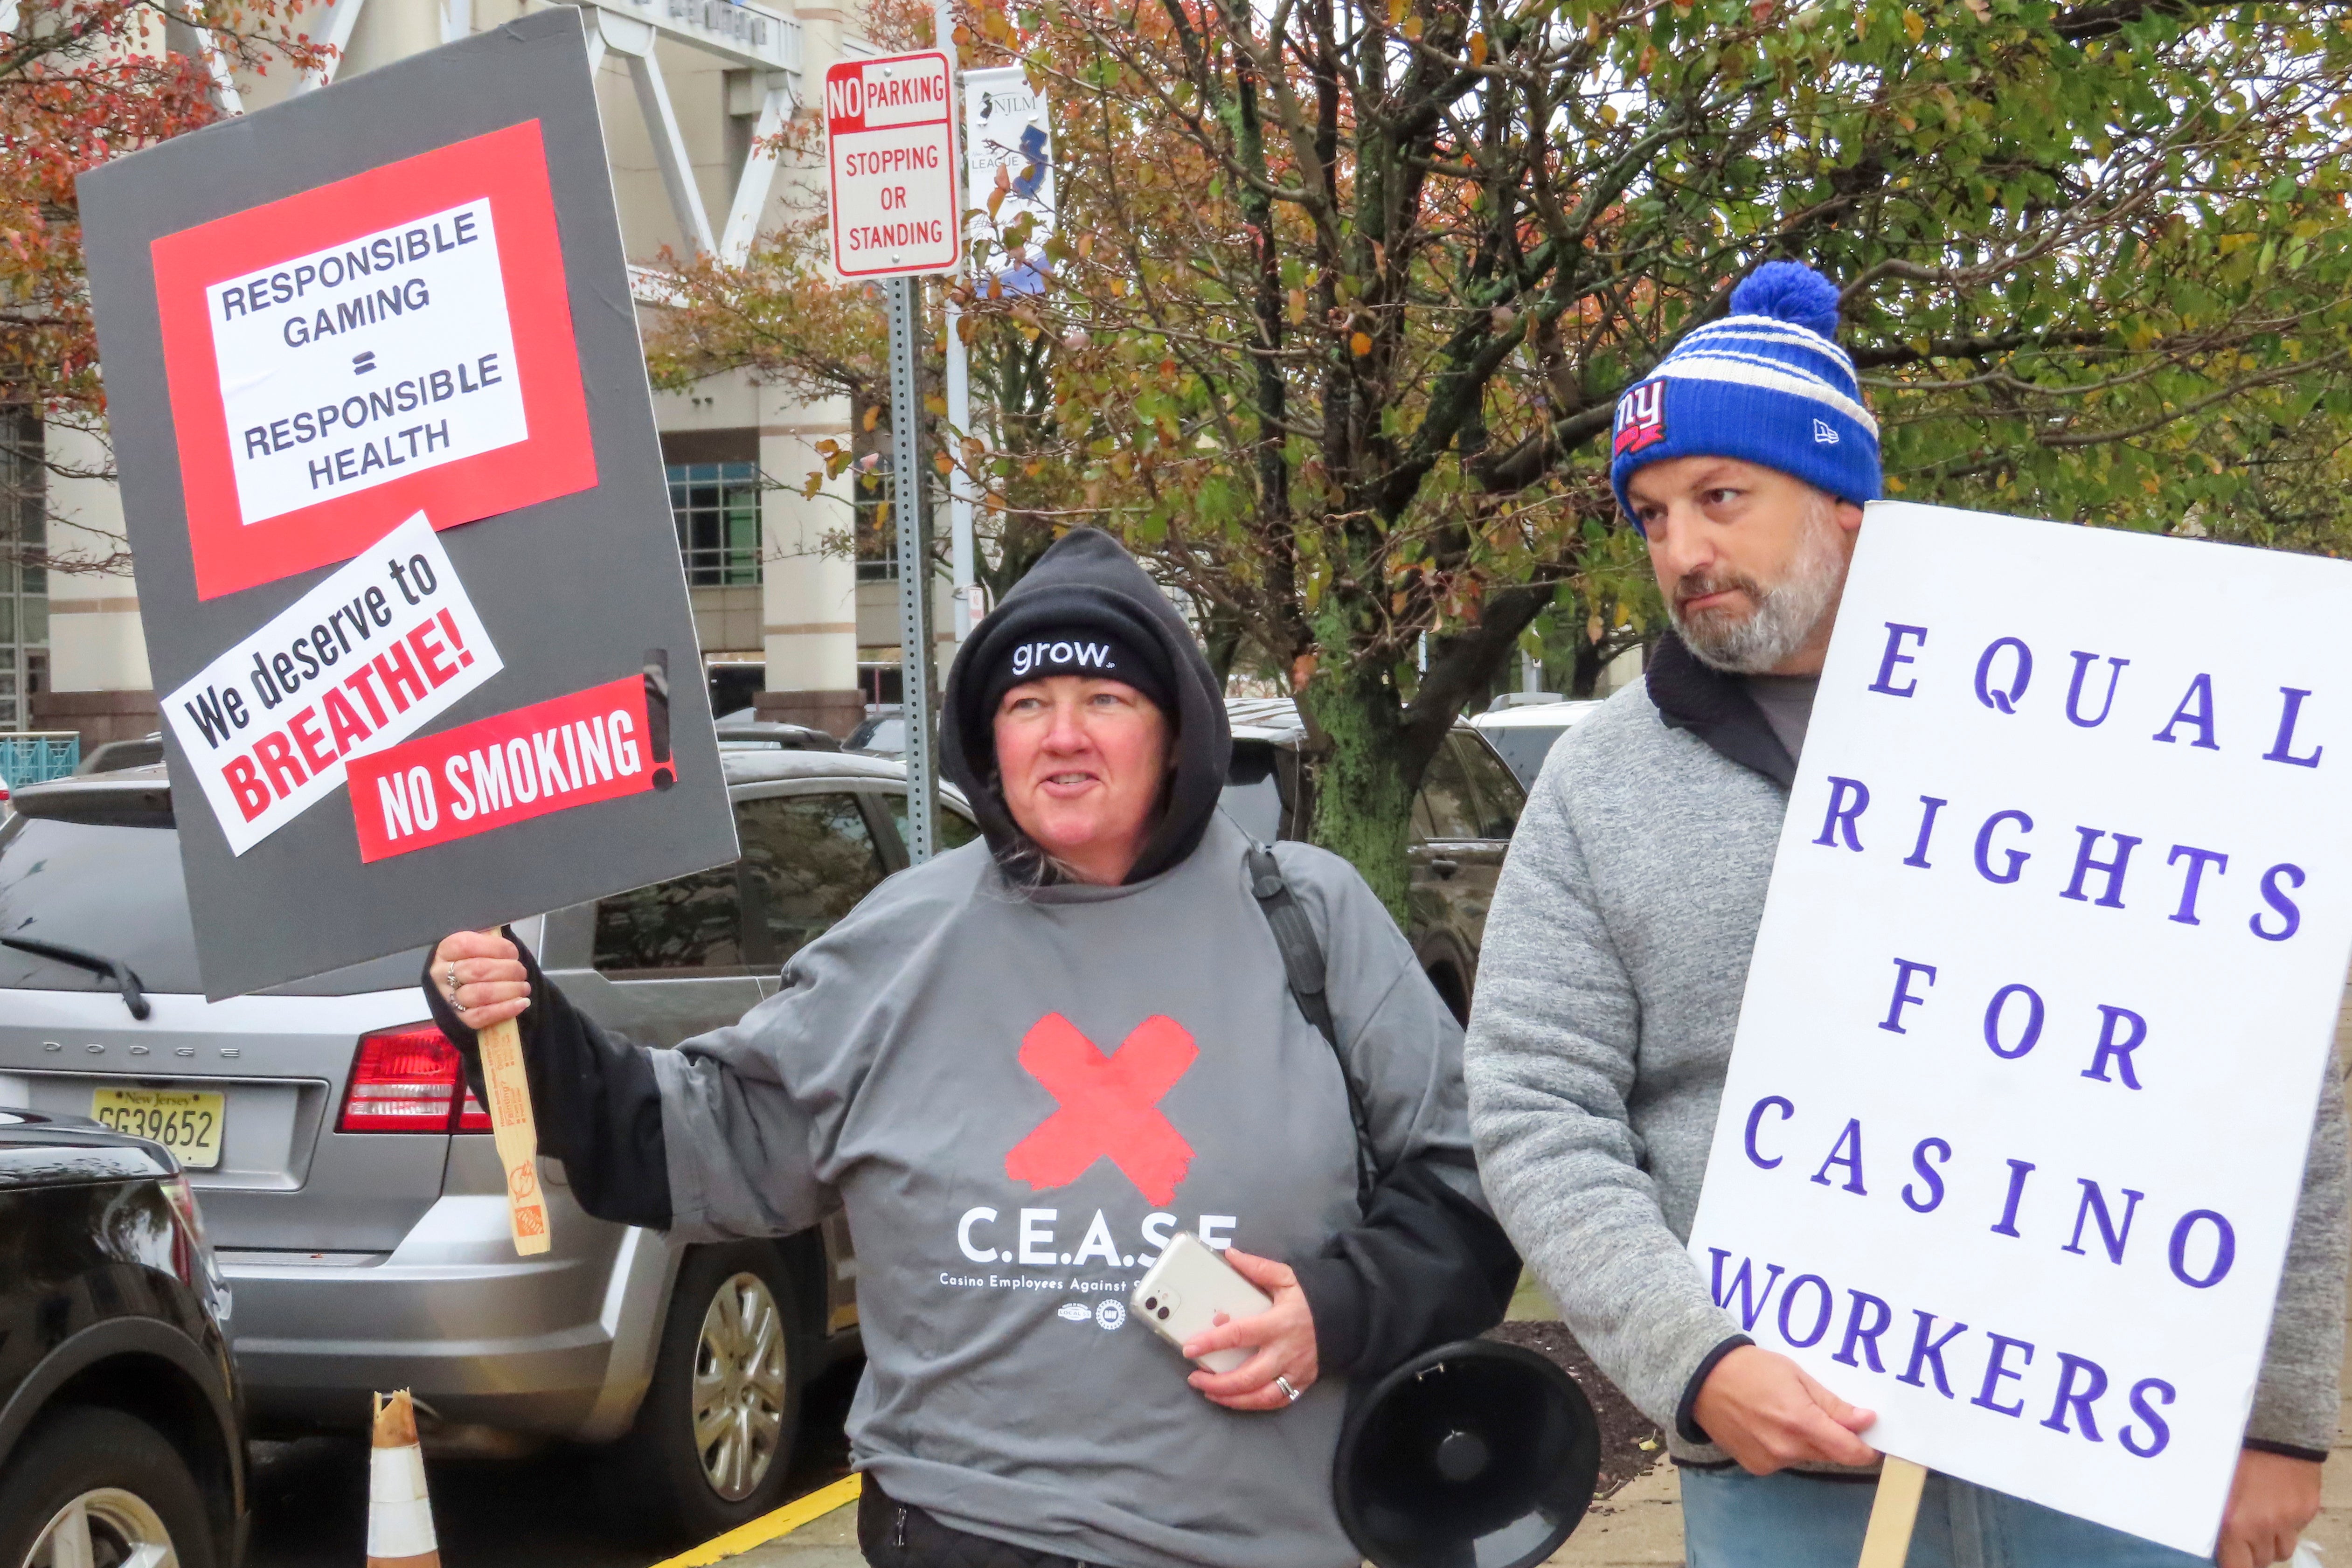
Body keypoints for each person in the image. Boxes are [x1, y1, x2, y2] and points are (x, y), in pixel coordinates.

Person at [1462, 260, 2350, 1568]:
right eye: (1649, 516)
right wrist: (1696, 1362)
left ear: (1845, 505)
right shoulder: (1601, 784)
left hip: (2109, 1466)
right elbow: (1536, 1108)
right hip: (1787, 1483)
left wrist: (2279, 1418)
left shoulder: (2095, 729)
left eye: (1720, 498)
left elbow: (2262, 1069)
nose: (1681, 552)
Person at [428, 527, 1518, 1568]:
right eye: (1027, 703)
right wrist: (518, 1021)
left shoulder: (1305, 916)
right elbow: (689, 1144)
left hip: (1247, 1535)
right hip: (959, 1524)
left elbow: (1467, 1192)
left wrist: (1335, 1310)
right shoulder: (906, 935)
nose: (1062, 734)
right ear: (987, 738)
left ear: (1176, 729)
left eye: (1105, 699)